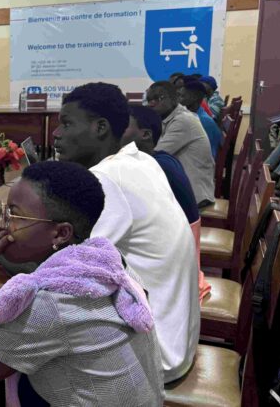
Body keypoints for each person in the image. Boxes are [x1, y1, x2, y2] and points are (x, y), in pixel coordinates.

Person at [0, 161, 164, 405]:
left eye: (15, 216)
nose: (3, 225)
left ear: (60, 233)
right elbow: (38, 300)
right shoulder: (105, 263)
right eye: (5, 211)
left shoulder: (53, 306)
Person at [54, 82, 200, 383]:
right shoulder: (141, 159)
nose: (56, 134)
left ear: (101, 128)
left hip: (156, 355)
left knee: (31, 345)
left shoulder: (107, 177)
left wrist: (3, 252)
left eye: (67, 124)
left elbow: (68, 273)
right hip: (178, 338)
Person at [122, 105, 211, 301]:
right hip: (179, 266)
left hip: (175, 283)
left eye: (122, 126)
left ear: (145, 135)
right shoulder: (163, 159)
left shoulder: (153, 169)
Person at [147, 80, 215, 207]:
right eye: (149, 99)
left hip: (195, 196)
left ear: (172, 98)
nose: (151, 104)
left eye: (157, 99)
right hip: (187, 189)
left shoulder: (183, 120)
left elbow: (155, 156)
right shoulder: (170, 117)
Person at [179, 80, 223, 159]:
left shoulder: (200, 120)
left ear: (194, 98)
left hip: (202, 163)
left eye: (182, 96)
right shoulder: (197, 114)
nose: (179, 100)